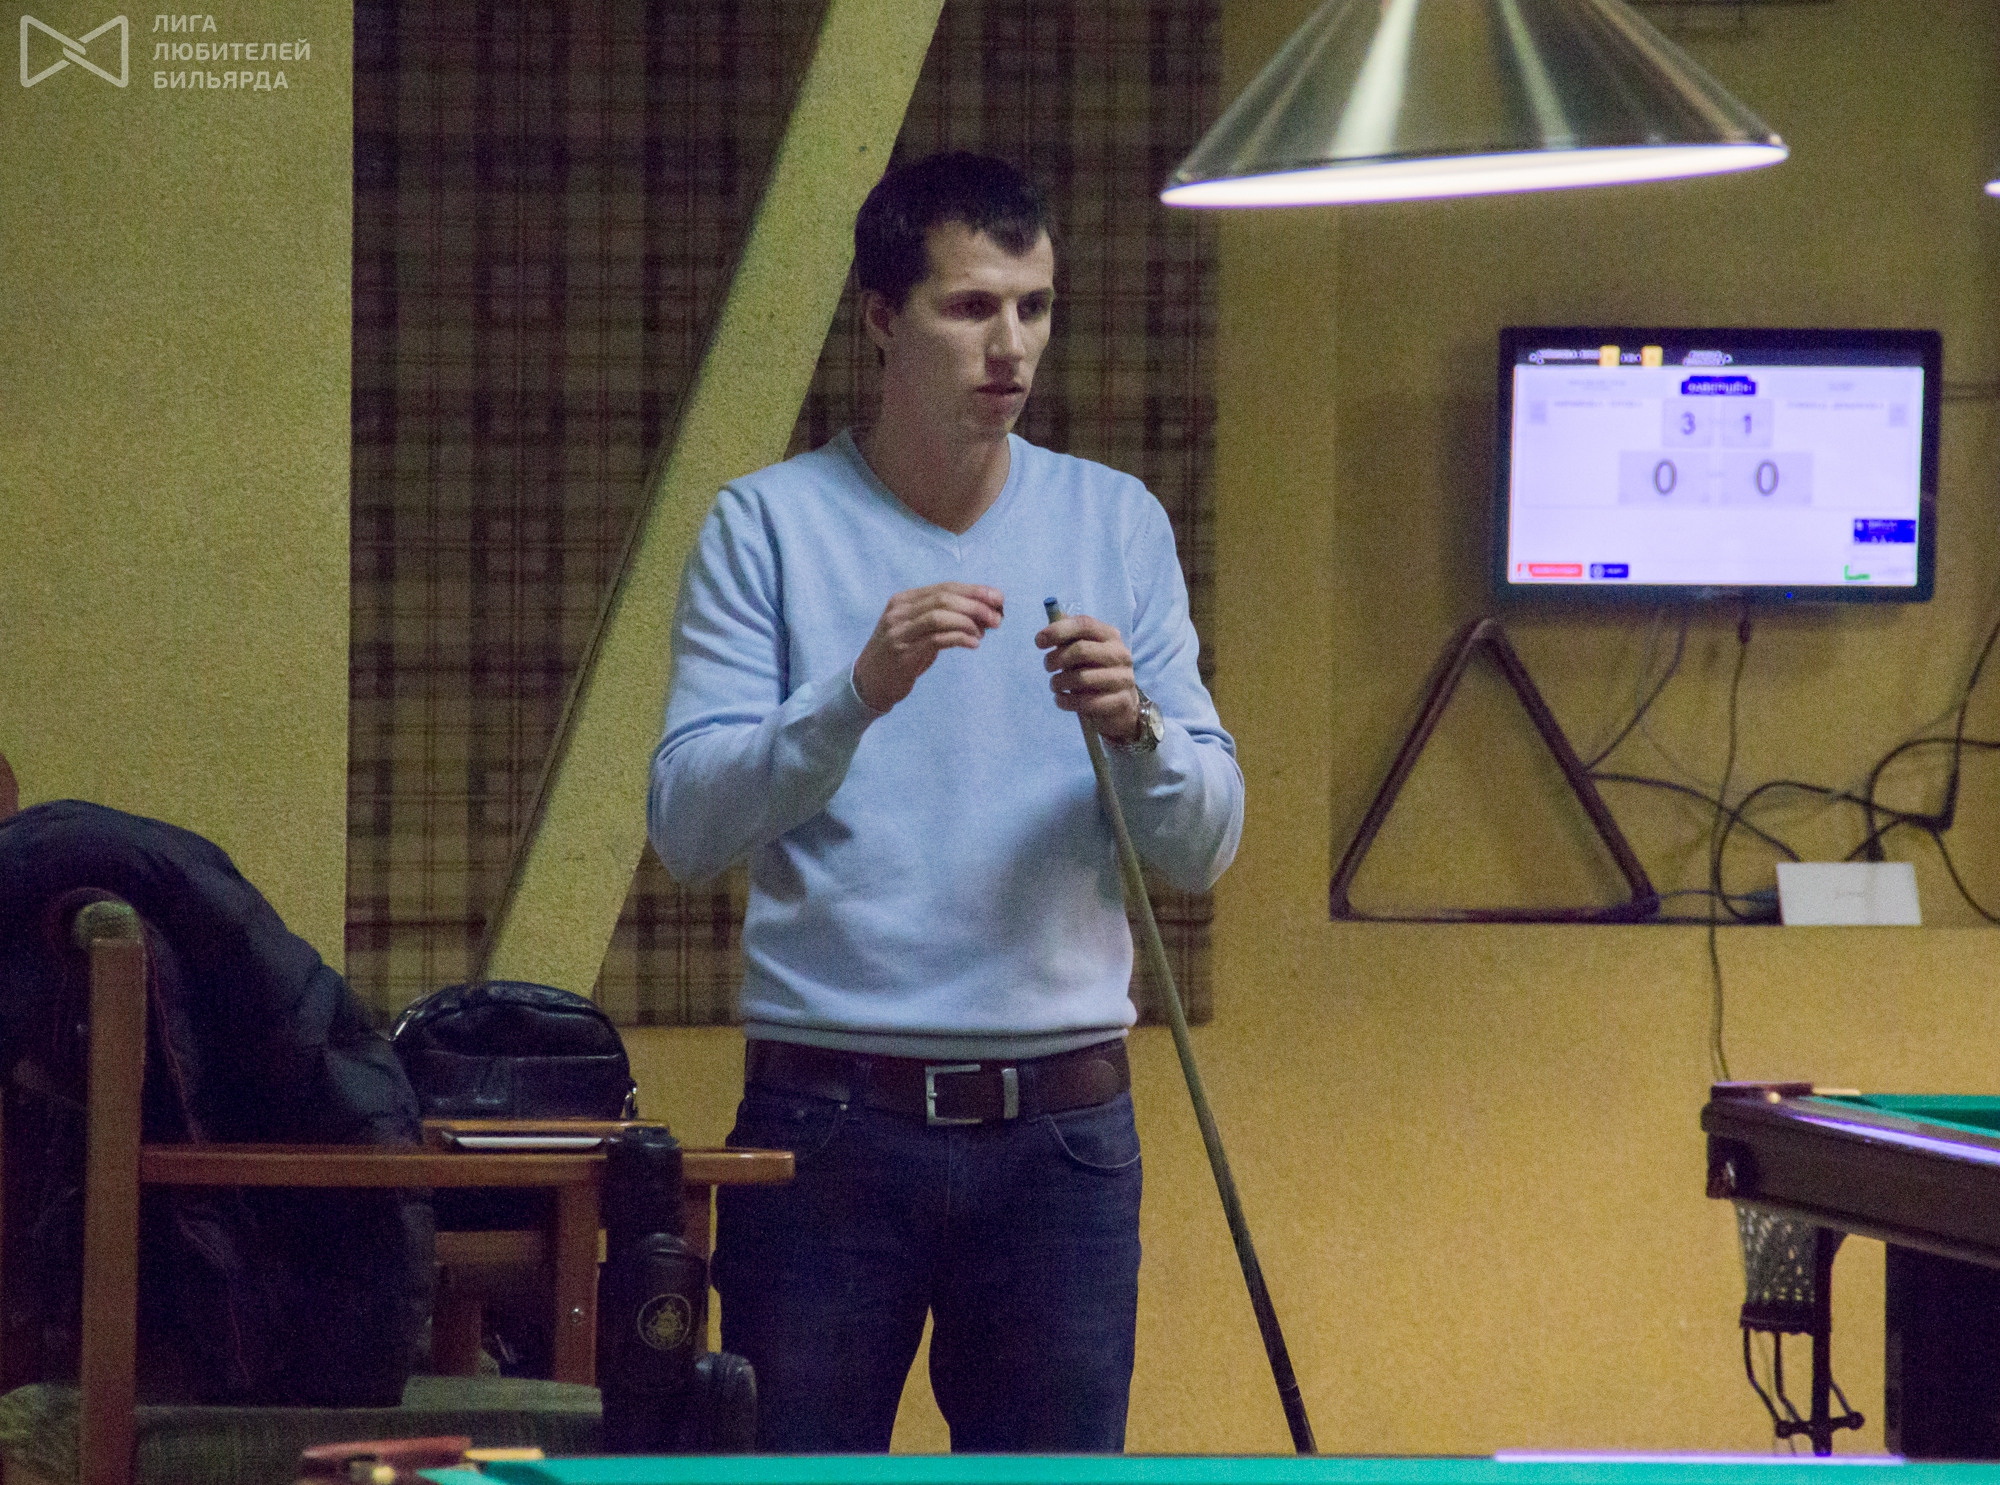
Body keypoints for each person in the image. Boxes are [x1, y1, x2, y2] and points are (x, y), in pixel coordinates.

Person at [647, 151, 1243, 1453]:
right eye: (971, 307)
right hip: (828, 1121)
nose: (1010, 345)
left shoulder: (1116, 521)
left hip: (1065, 1130)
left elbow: (1203, 843)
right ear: (880, 316)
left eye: (1034, 307)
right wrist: (855, 691)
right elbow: (686, 823)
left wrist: (1137, 728)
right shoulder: (767, 525)